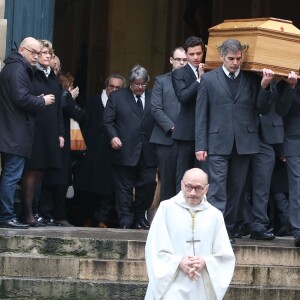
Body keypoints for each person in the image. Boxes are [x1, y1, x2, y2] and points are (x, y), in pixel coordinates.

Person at [195, 39, 274, 242]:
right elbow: (201, 114)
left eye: (238, 58)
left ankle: (227, 229)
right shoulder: (209, 79)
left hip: (245, 143)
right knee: (218, 189)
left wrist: (265, 86)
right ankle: (216, 233)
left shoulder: (251, 79)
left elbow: (262, 108)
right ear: (222, 57)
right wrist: (200, 145)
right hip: (217, 142)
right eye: (231, 58)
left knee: (236, 190)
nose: (235, 63)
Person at [145, 168, 235, 300]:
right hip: (171, 283)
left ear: (206, 189)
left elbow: (225, 255)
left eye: (198, 188)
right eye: (188, 187)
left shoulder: (215, 215)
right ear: (182, 185)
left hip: (201, 284)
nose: (193, 192)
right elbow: (154, 248)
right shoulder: (166, 209)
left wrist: (205, 261)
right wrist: (179, 262)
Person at [0, 37, 55, 229]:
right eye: (34, 52)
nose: (37, 56)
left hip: (14, 131)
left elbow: (20, 97)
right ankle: (7, 216)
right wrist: (41, 101)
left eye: (39, 53)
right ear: (22, 50)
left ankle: (7, 214)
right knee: (11, 175)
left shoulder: (15, 68)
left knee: (11, 174)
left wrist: (34, 98)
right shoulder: (16, 69)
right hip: (14, 133)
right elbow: (20, 98)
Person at [103, 64, 157, 229]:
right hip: (124, 150)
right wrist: (113, 137)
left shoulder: (154, 96)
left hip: (148, 150)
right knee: (124, 189)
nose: (140, 87)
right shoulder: (117, 97)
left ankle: (140, 215)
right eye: (136, 84)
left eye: (143, 84)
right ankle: (126, 220)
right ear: (130, 83)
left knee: (148, 184)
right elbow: (107, 121)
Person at [20, 40, 65, 226]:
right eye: (44, 52)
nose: (47, 56)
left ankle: (35, 211)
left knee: (40, 172)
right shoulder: (31, 74)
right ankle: (26, 212)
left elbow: (59, 109)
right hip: (35, 129)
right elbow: (24, 98)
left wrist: (60, 132)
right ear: (37, 55)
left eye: (50, 53)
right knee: (31, 171)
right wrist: (37, 100)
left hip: (50, 130)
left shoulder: (53, 77)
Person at [74, 73, 126, 228]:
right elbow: (82, 124)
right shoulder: (92, 101)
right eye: (111, 86)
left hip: (111, 154)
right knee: (88, 189)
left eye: (118, 87)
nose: (114, 90)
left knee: (107, 189)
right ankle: (88, 218)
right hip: (91, 152)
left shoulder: (123, 104)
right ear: (106, 86)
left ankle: (101, 219)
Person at [39, 59, 85, 227]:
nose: (56, 67)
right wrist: (69, 97)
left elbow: (81, 116)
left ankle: (56, 214)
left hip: (62, 137)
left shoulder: (57, 83)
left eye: (58, 64)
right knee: (47, 177)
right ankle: (46, 213)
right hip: (48, 135)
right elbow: (70, 109)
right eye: (54, 64)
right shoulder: (51, 85)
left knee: (61, 178)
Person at [150, 47, 187, 201]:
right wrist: (172, 127)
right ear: (171, 60)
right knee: (166, 182)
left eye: (185, 60)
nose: (182, 63)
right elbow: (155, 108)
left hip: (187, 139)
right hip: (166, 139)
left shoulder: (196, 81)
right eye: (178, 59)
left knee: (185, 182)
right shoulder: (162, 81)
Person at [171, 36, 206, 192]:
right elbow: (183, 97)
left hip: (205, 131)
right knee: (183, 174)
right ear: (186, 54)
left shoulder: (210, 70)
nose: (196, 57)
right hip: (186, 131)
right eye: (192, 54)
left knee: (203, 175)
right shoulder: (179, 73)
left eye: (199, 53)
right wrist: (199, 80)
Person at [275, 71, 300, 247]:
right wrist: (291, 86)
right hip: (293, 140)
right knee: (296, 186)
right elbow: (281, 110)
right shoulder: (283, 84)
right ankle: (298, 229)